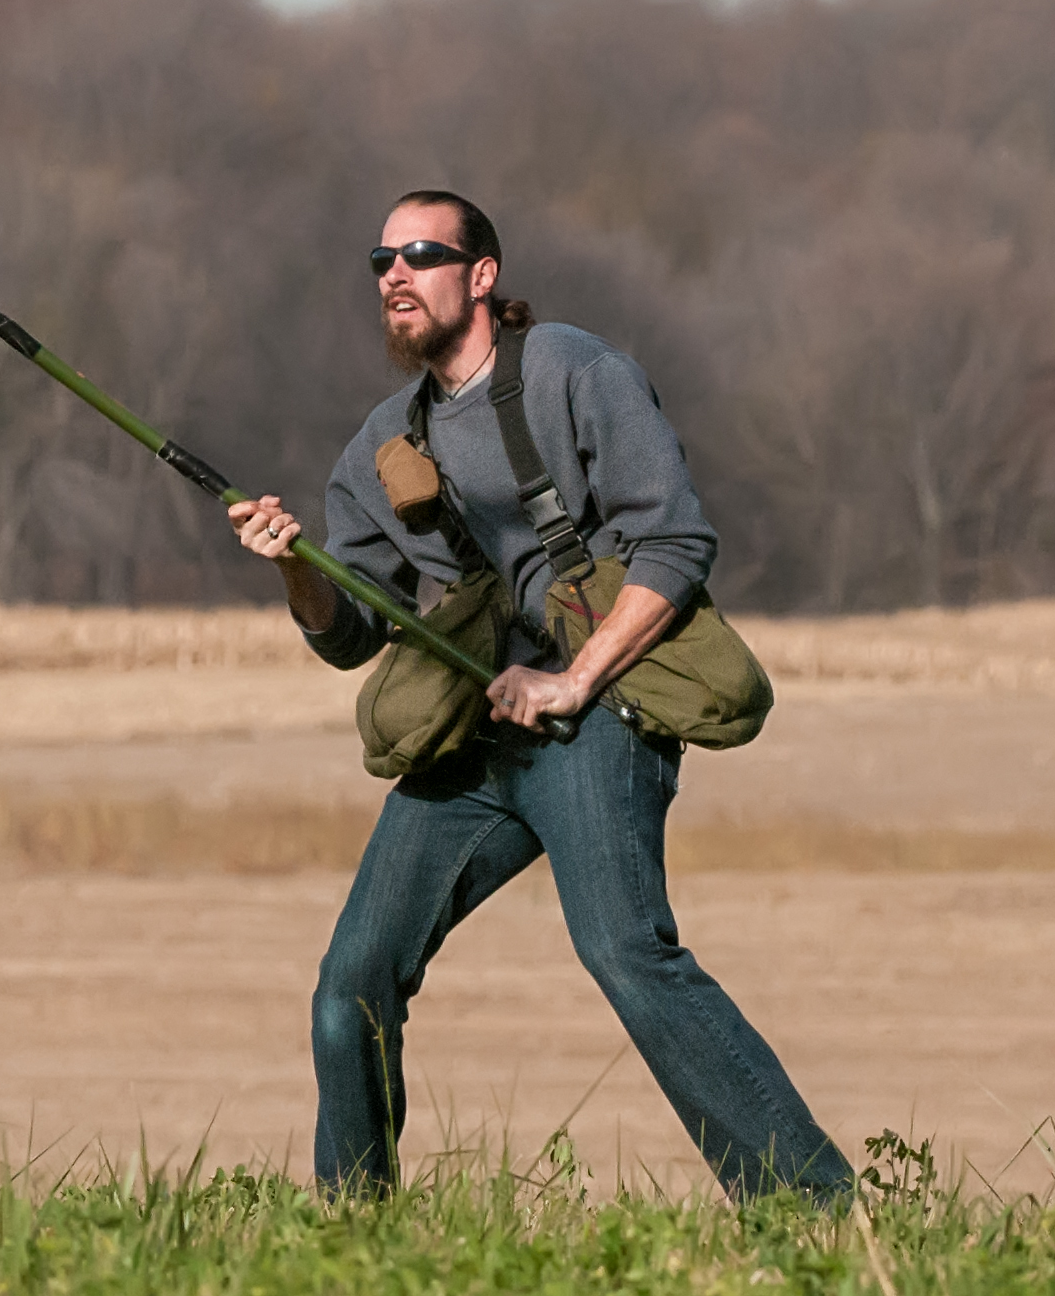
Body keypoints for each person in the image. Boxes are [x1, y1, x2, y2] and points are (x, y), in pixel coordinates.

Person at [229, 188, 851, 1203]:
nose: (394, 272)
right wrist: (292, 563)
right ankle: (350, 1231)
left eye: (421, 252)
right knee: (350, 982)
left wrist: (571, 676)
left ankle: (811, 1203)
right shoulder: (383, 442)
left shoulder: (572, 368)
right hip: (478, 744)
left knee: (622, 949)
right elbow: (347, 635)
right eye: (380, 257)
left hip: (599, 717)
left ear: (480, 275)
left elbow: (675, 541)